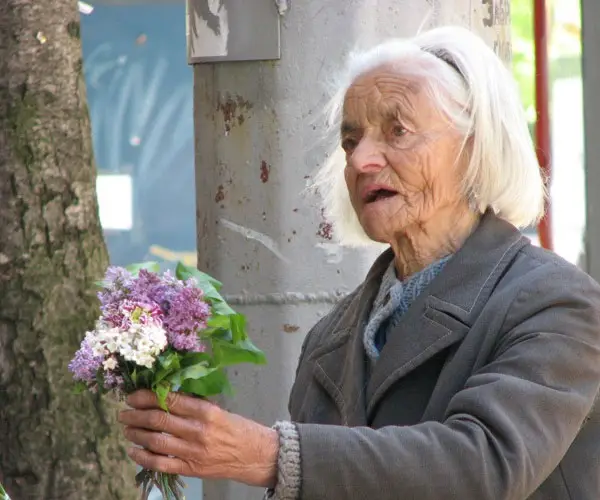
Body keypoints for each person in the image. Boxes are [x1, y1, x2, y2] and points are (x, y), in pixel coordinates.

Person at [118, 26, 600, 499]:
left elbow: (484, 463)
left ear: (474, 148)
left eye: (398, 130)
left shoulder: (554, 302)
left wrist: (270, 456)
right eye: (351, 141)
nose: (361, 159)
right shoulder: (333, 334)